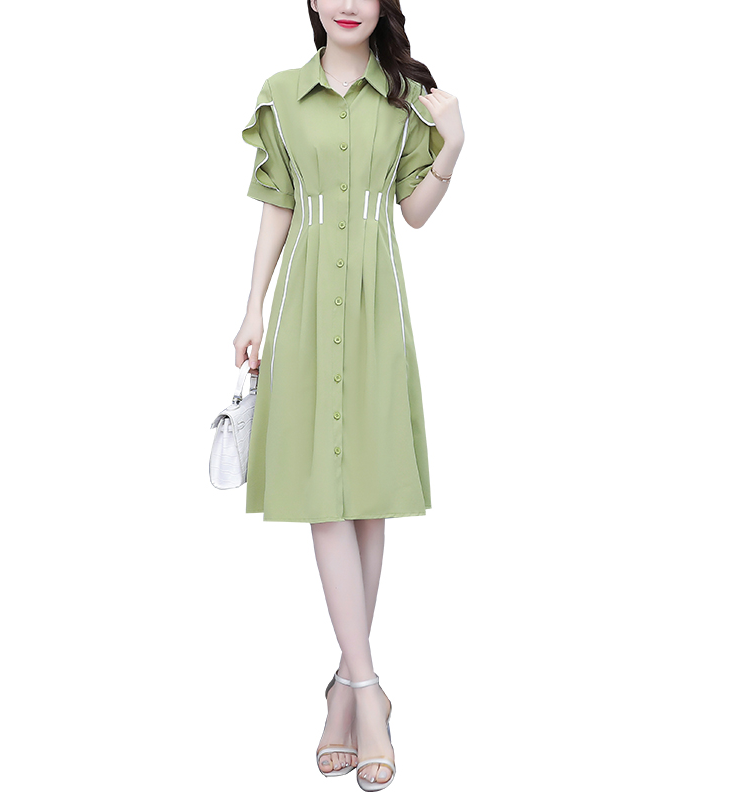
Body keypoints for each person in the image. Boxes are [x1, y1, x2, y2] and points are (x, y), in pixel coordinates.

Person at [232, 0, 464, 790]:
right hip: (303, 308)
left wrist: (453, 145)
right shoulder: (280, 93)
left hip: (375, 310)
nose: (348, 3)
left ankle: (345, 687)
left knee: (365, 498)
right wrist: (253, 306)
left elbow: (415, 213)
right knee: (322, 500)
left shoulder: (406, 99)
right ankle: (368, 692)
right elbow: (278, 204)